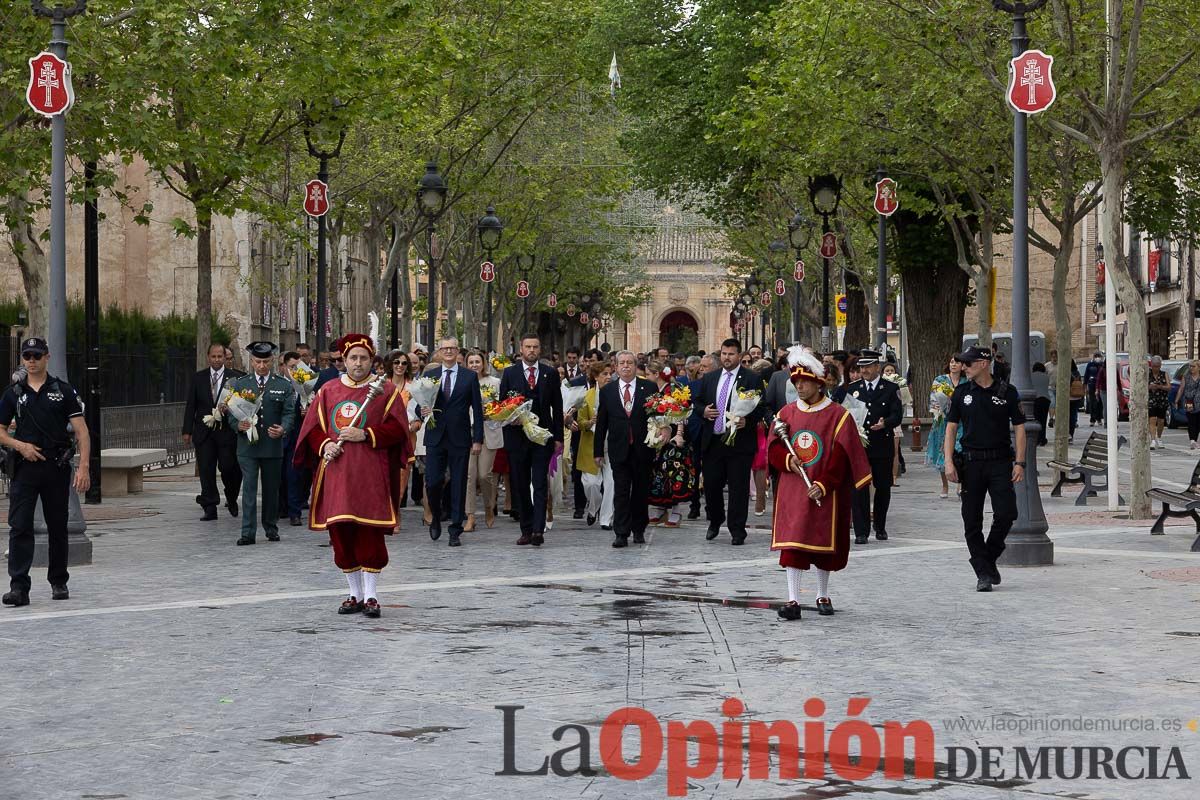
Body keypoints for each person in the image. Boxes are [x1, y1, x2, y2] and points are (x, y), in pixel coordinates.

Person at [294, 332, 411, 618]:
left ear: (373, 361)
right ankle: (353, 594)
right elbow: (312, 429)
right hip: (336, 472)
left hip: (370, 473)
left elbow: (399, 429)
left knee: (369, 532)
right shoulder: (328, 391)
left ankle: (371, 596)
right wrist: (325, 445)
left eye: (363, 358)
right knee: (341, 532)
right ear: (343, 360)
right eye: (353, 358)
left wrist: (365, 434)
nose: (358, 363)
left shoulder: (385, 392)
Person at [767, 346, 871, 620]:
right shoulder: (786, 414)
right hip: (793, 489)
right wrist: (787, 461)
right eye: (796, 382)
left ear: (818, 383)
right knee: (793, 546)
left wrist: (824, 484)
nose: (799, 387)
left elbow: (841, 456)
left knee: (823, 545)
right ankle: (792, 600)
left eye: (804, 382)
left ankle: (822, 594)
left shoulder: (838, 415)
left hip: (824, 490)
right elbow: (774, 448)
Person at [0, 337, 91, 607]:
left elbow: (82, 432)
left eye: (36, 356)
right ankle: (18, 587)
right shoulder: (13, 393)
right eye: (27, 356)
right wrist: (20, 446)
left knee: (57, 526)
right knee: (19, 527)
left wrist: (83, 467)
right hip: (25, 467)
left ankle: (58, 581)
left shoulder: (62, 391)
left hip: (55, 466)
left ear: (47, 358)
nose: (31, 360)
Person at [944, 345, 1025, 592]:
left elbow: (1020, 428)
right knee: (971, 520)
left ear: (983, 364)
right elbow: (951, 428)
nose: (964, 367)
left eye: (968, 363)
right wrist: (948, 461)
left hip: (1000, 462)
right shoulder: (961, 393)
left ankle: (987, 559)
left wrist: (1020, 462)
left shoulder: (1007, 392)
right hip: (971, 463)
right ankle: (984, 573)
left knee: (1007, 513)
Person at [694, 338, 766, 545]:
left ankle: (737, 529)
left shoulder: (751, 379)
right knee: (712, 486)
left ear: (740, 356)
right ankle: (715, 521)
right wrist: (703, 411)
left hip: (739, 442)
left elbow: (761, 405)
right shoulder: (710, 378)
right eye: (724, 353)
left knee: (738, 488)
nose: (727, 357)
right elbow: (697, 401)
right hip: (713, 440)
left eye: (731, 354)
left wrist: (748, 420)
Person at [415, 337, 483, 547]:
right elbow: (420, 404)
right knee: (433, 481)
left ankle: (455, 529)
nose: (449, 352)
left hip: (460, 437)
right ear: (439, 351)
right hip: (435, 436)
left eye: (452, 348)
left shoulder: (469, 377)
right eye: (445, 348)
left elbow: (478, 411)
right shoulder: (431, 374)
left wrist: (477, 439)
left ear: (457, 352)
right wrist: (422, 410)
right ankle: (435, 515)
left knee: (458, 483)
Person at [226, 342, 296, 546]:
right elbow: (230, 412)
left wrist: (283, 428)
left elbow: (289, 413)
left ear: (272, 361)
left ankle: (271, 527)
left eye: (266, 361)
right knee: (248, 489)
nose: (262, 366)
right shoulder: (240, 384)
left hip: (272, 446)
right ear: (252, 361)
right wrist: (237, 424)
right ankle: (247, 532)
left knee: (271, 490)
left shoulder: (283, 385)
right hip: (247, 446)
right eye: (258, 361)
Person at [498, 334, 563, 546]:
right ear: (521, 349)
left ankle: (538, 529)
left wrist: (559, 438)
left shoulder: (550, 374)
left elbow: (558, 407)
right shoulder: (509, 373)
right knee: (521, 484)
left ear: (540, 349)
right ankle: (525, 529)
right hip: (517, 437)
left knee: (540, 482)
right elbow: (502, 405)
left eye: (535, 347)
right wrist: (511, 418)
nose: (532, 350)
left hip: (542, 436)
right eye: (528, 347)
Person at [594, 351, 657, 547]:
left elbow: (657, 416)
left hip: (642, 448)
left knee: (640, 491)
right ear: (616, 367)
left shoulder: (649, 387)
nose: (626, 366)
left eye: (630, 363)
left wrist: (661, 435)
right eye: (622, 363)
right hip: (618, 448)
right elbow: (602, 423)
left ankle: (638, 529)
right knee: (620, 491)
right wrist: (597, 452)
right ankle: (621, 532)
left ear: (636, 366)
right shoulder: (608, 391)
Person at [846, 349, 903, 544]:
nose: (864, 370)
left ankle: (880, 525)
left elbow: (897, 415)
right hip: (859, 445)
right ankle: (861, 530)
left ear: (877, 367)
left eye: (868, 366)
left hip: (881, 443)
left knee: (883, 486)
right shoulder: (852, 388)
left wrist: (885, 423)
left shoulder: (890, 388)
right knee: (859, 487)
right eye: (862, 367)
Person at [182, 342, 244, 520]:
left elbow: (241, 405)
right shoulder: (198, 378)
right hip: (204, 432)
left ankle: (231, 496)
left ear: (225, 358)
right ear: (208, 357)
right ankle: (209, 505)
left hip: (226, 432)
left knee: (229, 467)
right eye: (214, 356)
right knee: (206, 469)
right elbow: (191, 405)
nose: (217, 360)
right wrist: (187, 430)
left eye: (220, 356)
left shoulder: (235, 378)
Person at [646, 366, 697, 528]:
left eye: (648, 374)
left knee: (674, 471)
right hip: (661, 437)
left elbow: (681, 411)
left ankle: (676, 510)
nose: (646, 377)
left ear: (656, 374)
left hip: (675, 436)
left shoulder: (673, 389)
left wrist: (680, 433)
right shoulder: (656, 390)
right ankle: (661, 508)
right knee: (659, 472)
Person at [575, 361, 614, 528]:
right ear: (596, 377)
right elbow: (580, 421)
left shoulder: (615, 394)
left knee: (611, 483)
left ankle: (606, 519)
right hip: (591, 445)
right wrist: (590, 422)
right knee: (591, 484)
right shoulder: (587, 396)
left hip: (612, 444)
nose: (608, 377)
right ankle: (593, 508)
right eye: (604, 374)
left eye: (610, 373)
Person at [466, 351, 501, 529]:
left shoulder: (494, 383)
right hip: (468, 433)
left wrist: (492, 411)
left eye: (477, 361)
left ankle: (489, 506)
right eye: (470, 362)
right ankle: (470, 516)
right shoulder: (463, 382)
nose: (474, 365)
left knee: (484, 474)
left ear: (483, 363)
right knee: (470, 475)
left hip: (489, 431)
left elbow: (503, 407)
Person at [926, 356, 966, 498]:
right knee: (942, 452)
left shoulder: (966, 381)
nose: (954, 364)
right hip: (943, 420)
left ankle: (961, 483)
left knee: (960, 449)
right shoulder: (940, 380)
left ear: (963, 365)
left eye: (957, 362)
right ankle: (945, 485)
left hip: (962, 421)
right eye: (951, 362)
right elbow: (934, 398)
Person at [279, 350, 307, 526]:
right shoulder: (278, 384)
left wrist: (307, 410)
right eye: (291, 367)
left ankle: (294, 512)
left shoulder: (306, 386)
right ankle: (280, 507)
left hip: (297, 436)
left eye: (298, 367)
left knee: (294, 474)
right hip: (279, 435)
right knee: (278, 475)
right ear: (283, 367)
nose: (294, 371)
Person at [749, 358, 774, 515]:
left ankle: (760, 499)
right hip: (755, 426)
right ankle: (758, 497)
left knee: (759, 464)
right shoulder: (752, 384)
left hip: (762, 426)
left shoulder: (767, 385)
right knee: (757, 464)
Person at [1175, 360, 1200, 449]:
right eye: (1190, 366)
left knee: (1198, 422)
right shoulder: (1186, 377)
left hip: (1199, 402)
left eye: (1193, 366)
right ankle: (1192, 441)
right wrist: (1176, 400)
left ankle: (1195, 440)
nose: (1191, 368)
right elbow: (1181, 389)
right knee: (1191, 421)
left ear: (1198, 367)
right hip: (1189, 402)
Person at [1148, 356, 1170, 450]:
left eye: (1158, 366)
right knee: (1152, 419)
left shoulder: (1164, 374)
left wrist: (1160, 386)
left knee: (1161, 421)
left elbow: (1169, 387)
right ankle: (1152, 440)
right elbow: (1143, 386)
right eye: (1154, 366)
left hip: (1162, 400)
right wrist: (1150, 387)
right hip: (1151, 400)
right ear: (1151, 365)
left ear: (1160, 366)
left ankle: (1159, 438)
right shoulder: (1147, 374)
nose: (1156, 368)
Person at [1031, 362, 1051, 447]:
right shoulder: (1046, 376)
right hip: (1046, 399)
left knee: (1036, 420)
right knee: (1043, 420)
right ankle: (1042, 439)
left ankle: (1036, 439)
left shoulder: (1031, 376)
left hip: (1035, 399)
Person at [1084, 352, 1104, 426]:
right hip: (1092, 385)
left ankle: (1099, 419)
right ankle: (1092, 419)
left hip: (1100, 386)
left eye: (1099, 356)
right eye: (1096, 356)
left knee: (1100, 403)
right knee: (1092, 403)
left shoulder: (1102, 364)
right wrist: (1085, 386)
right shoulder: (1090, 364)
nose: (1097, 358)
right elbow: (1086, 375)